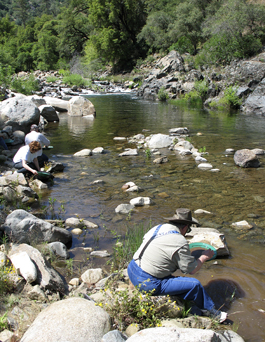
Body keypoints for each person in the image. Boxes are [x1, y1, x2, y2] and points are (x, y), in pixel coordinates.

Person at [127, 208, 228, 323]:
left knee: (172, 276)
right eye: (188, 229)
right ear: (185, 227)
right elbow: (192, 270)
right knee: (195, 285)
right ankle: (212, 313)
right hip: (147, 282)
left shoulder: (158, 227)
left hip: (132, 268)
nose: (187, 232)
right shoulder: (179, 241)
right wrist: (204, 257)